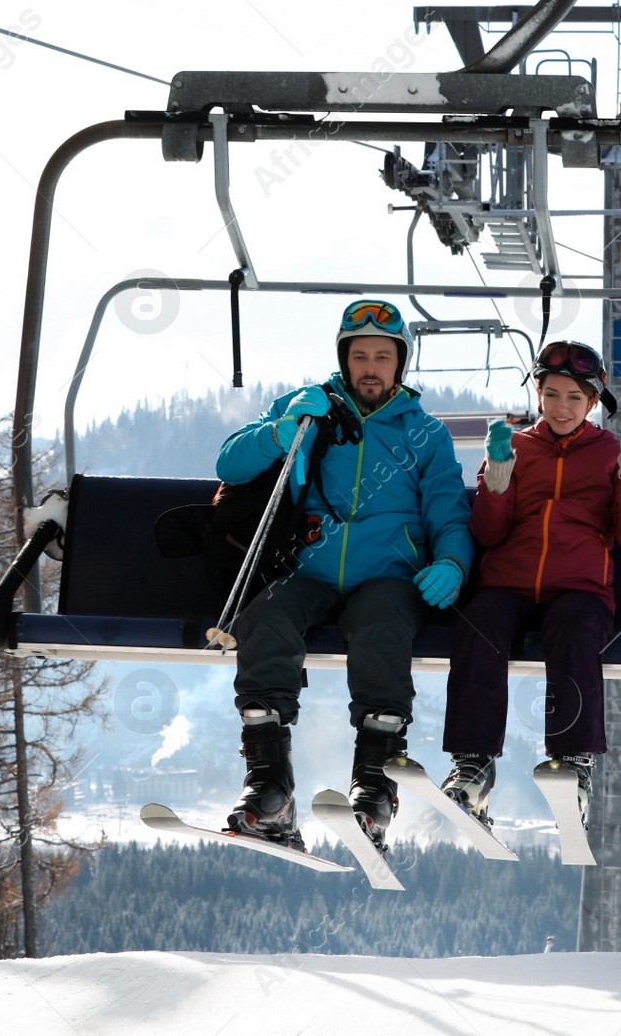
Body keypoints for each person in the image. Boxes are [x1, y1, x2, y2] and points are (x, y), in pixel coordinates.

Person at [216, 300, 474, 852]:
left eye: (384, 355)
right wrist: (281, 433)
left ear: (400, 364)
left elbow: (449, 512)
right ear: (345, 359)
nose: (371, 367)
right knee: (265, 617)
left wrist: (452, 562)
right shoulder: (309, 410)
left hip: (387, 575)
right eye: (360, 356)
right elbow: (230, 464)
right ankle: (269, 783)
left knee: (381, 625)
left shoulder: (424, 434)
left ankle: (375, 784)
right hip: (310, 569)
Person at [439, 339, 621, 828]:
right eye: (553, 394)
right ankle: (472, 764)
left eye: (574, 399)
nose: (562, 407)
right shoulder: (515, 447)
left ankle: (575, 759)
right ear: (539, 395)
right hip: (510, 582)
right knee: (479, 625)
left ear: (593, 403)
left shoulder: (610, 452)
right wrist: (497, 476)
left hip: (579, 585)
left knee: (576, 630)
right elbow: (488, 533)